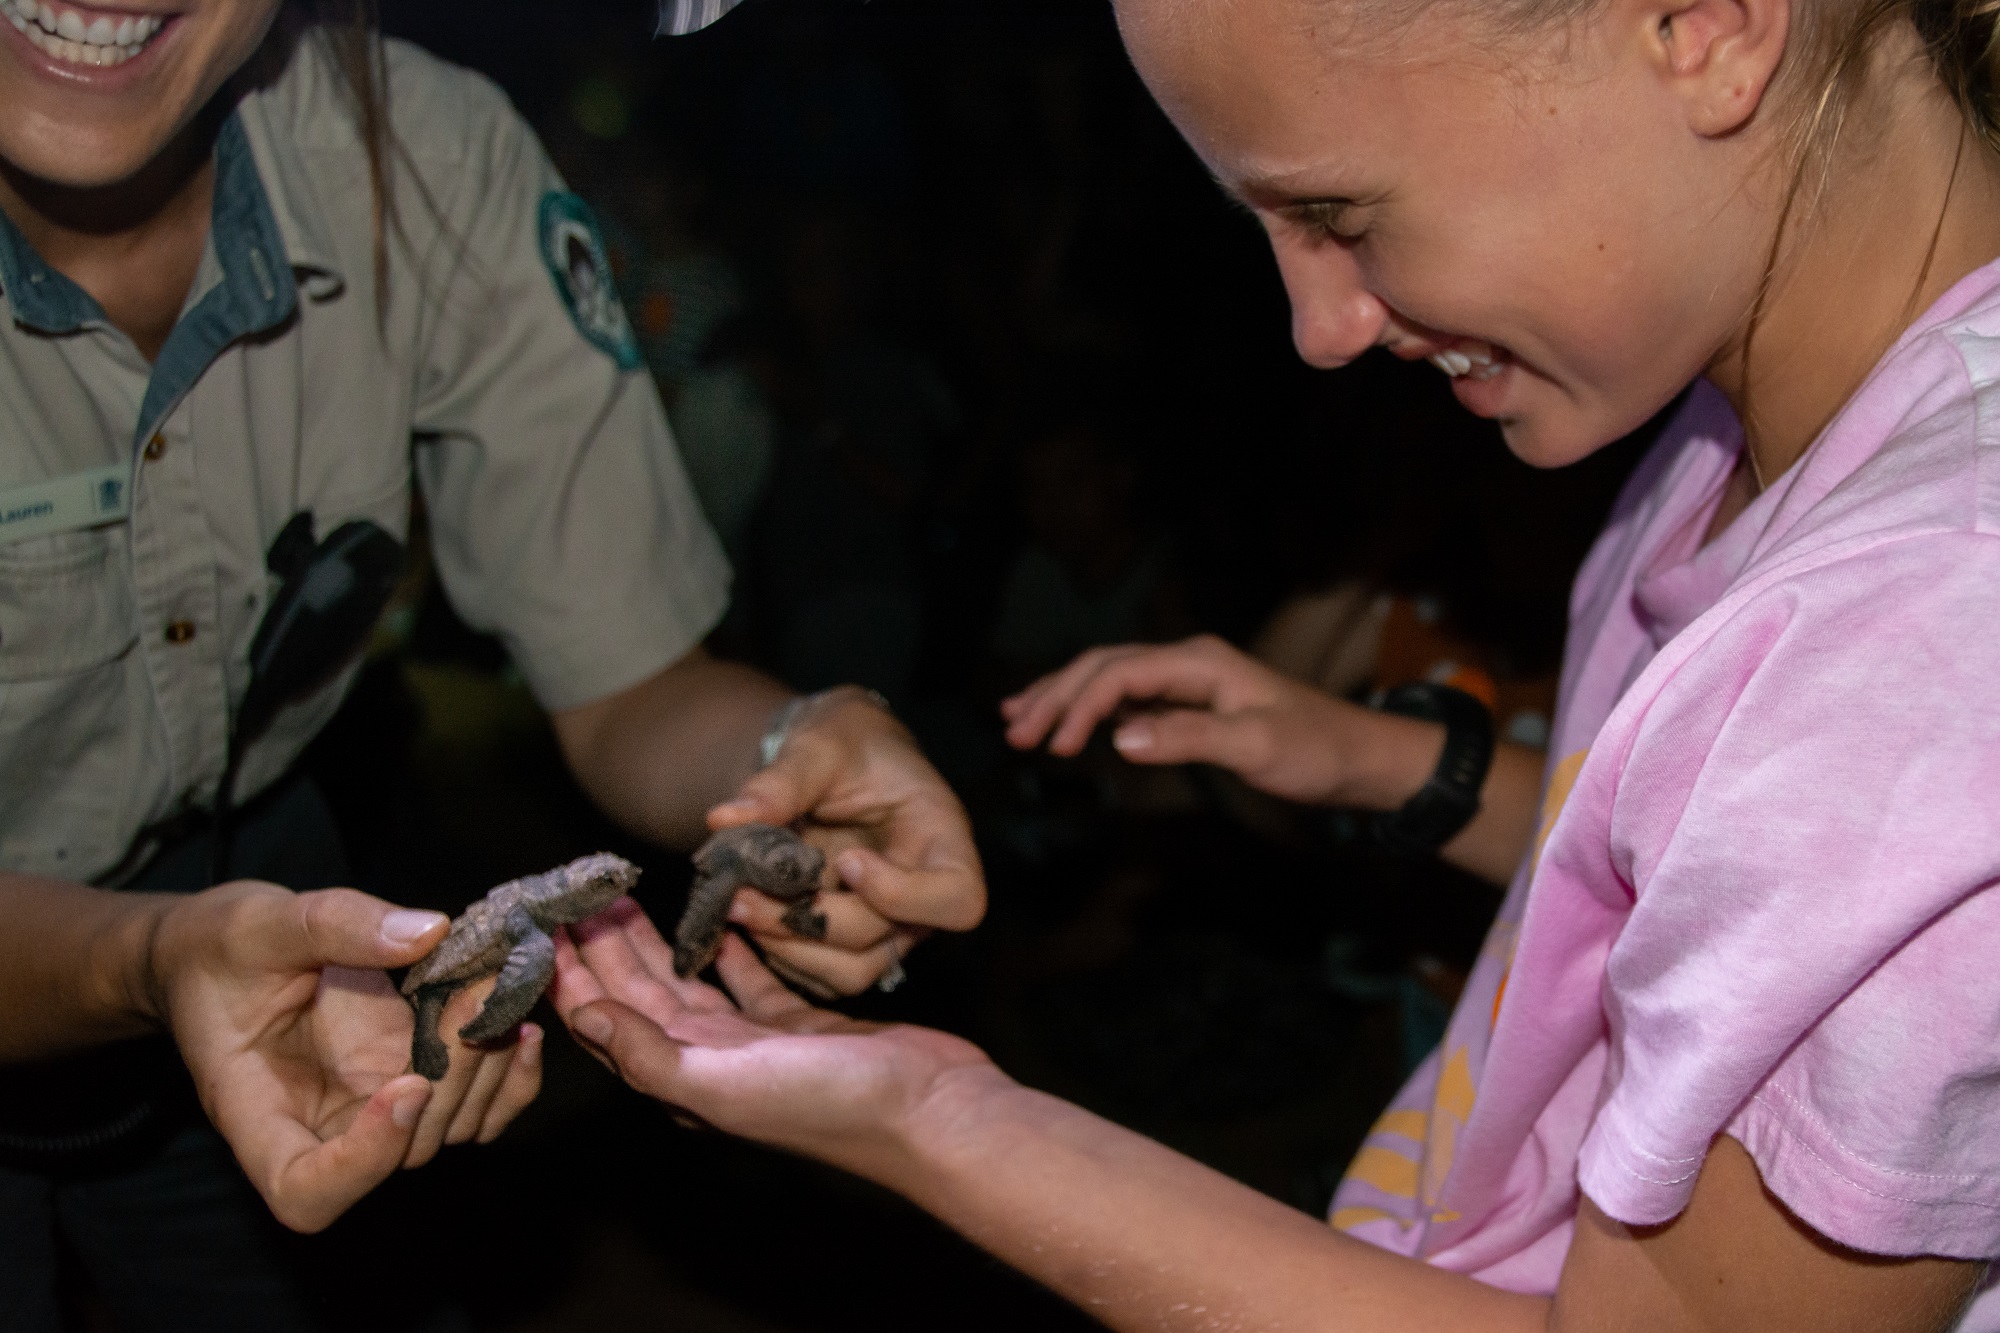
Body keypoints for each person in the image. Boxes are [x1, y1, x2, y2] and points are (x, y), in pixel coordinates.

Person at [551, 0, 2000, 1327]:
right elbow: (1726, 884)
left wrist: (943, 1120)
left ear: (1704, 27)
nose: (1321, 327)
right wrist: (1385, 763)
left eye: (1340, 213)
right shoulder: (1751, 420)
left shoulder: (1926, 633)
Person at [0, 0, 980, 1327]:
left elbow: (630, 675)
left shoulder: (425, 157)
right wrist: (155, 957)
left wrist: (798, 749)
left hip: (259, 931)